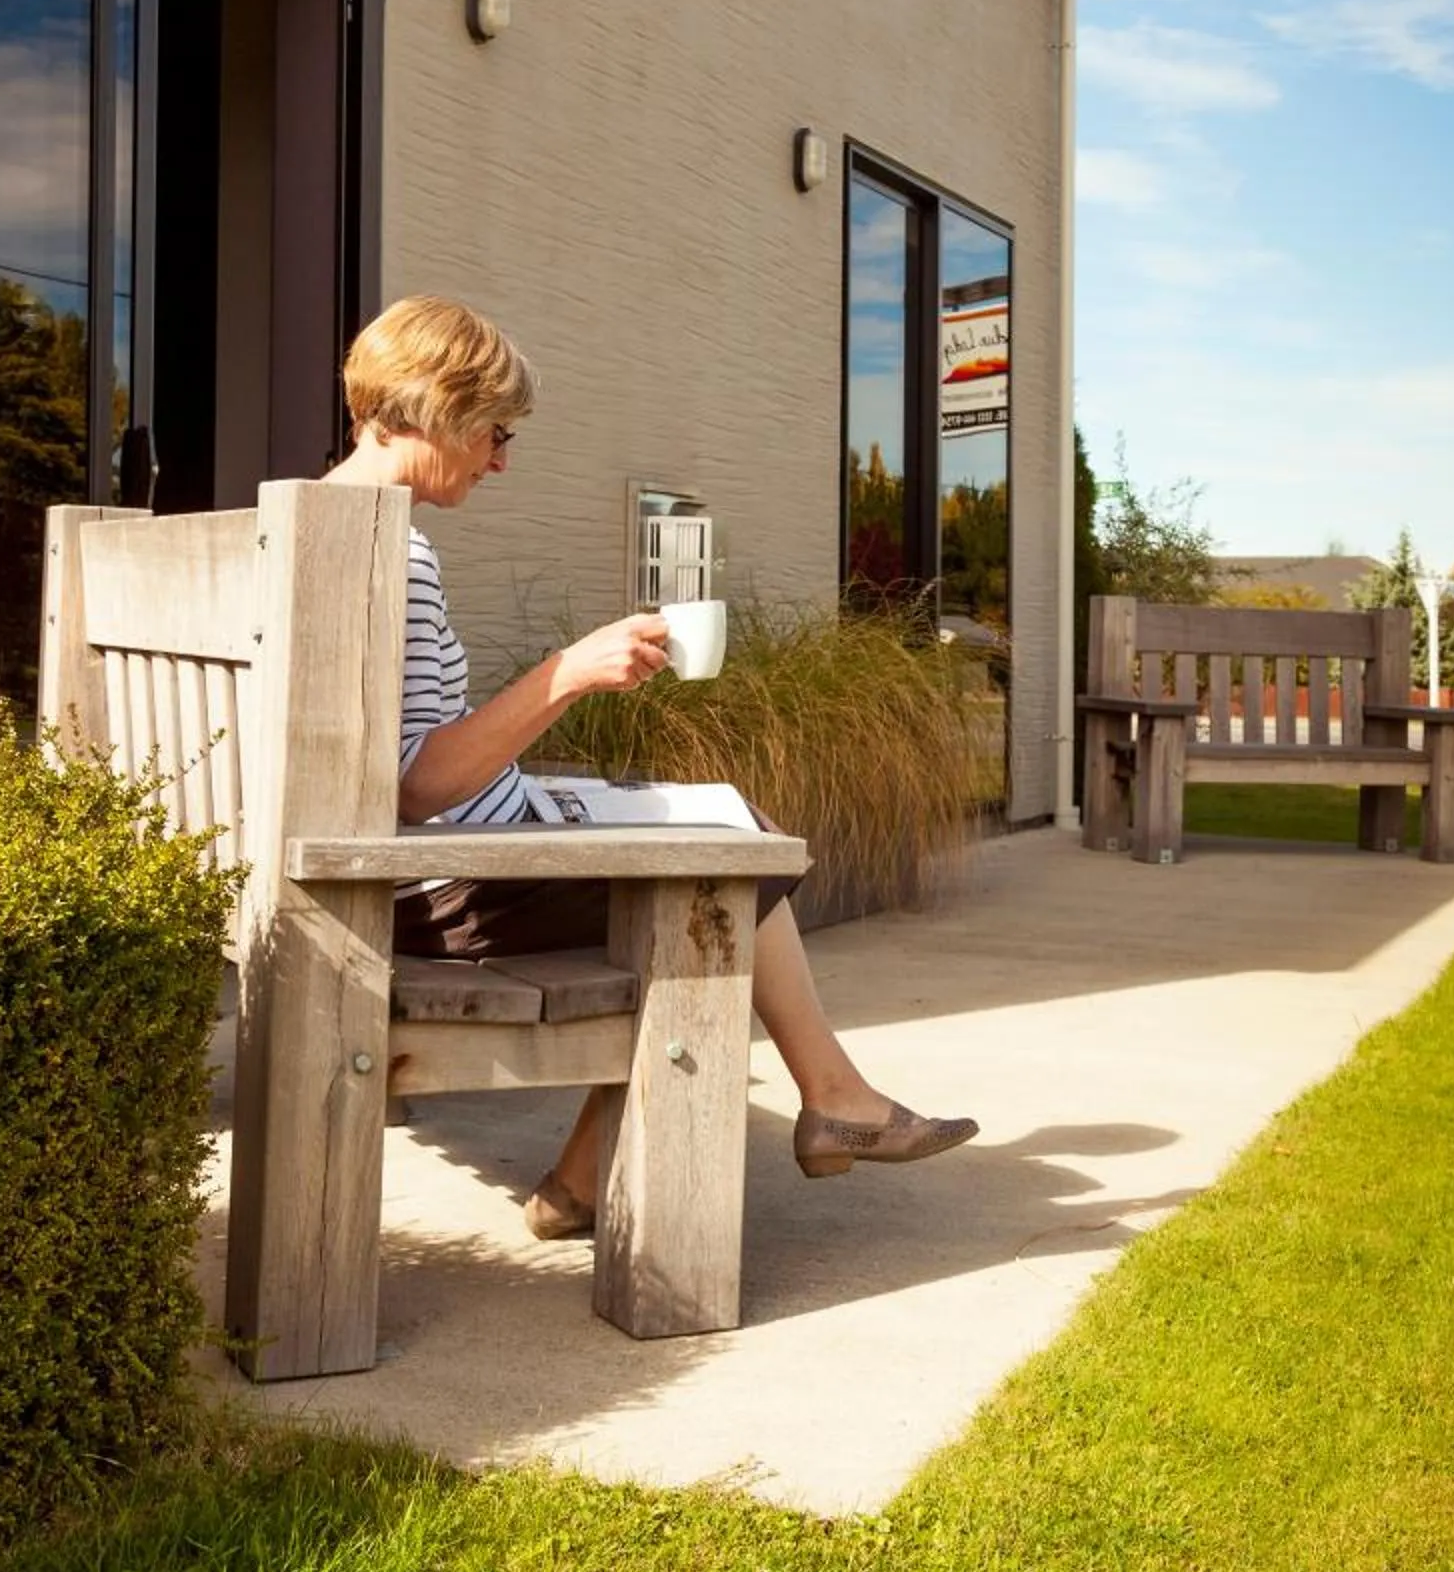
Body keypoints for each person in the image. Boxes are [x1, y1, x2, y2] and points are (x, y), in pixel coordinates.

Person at [321, 296, 975, 1238]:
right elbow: (418, 785)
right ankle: (827, 1101)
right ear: (434, 408)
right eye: (495, 432)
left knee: (725, 827)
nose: (502, 459)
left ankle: (618, 1171)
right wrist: (568, 676)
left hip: (420, 866)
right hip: (444, 890)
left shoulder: (318, 524)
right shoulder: (392, 553)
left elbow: (398, 764)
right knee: (734, 869)